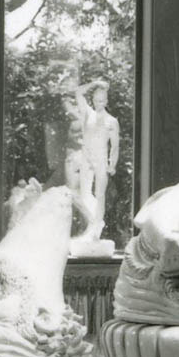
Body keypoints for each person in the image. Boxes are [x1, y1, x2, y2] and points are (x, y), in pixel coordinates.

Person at [72, 78, 120, 240]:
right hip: (86, 158)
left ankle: (95, 231)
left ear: (106, 101)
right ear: (92, 100)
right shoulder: (87, 114)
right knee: (84, 194)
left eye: (102, 100)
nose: (99, 103)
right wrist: (94, 84)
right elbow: (78, 92)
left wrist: (112, 164)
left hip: (101, 159)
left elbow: (115, 146)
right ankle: (94, 221)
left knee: (100, 195)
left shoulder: (111, 121)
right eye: (96, 100)